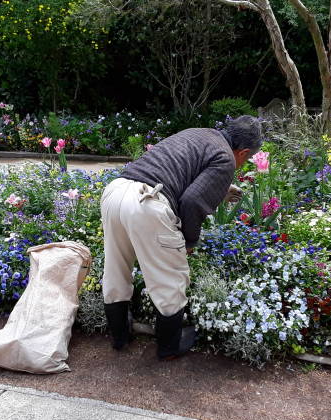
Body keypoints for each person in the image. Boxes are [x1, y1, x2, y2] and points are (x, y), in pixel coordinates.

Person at [100, 115, 263, 360]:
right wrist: (189, 242)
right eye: (247, 160)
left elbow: (182, 173)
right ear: (244, 152)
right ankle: (169, 347)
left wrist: (220, 190)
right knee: (170, 278)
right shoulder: (227, 157)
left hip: (116, 191)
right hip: (148, 203)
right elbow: (192, 201)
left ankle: (119, 336)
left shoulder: (202, 132)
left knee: (116, 267)